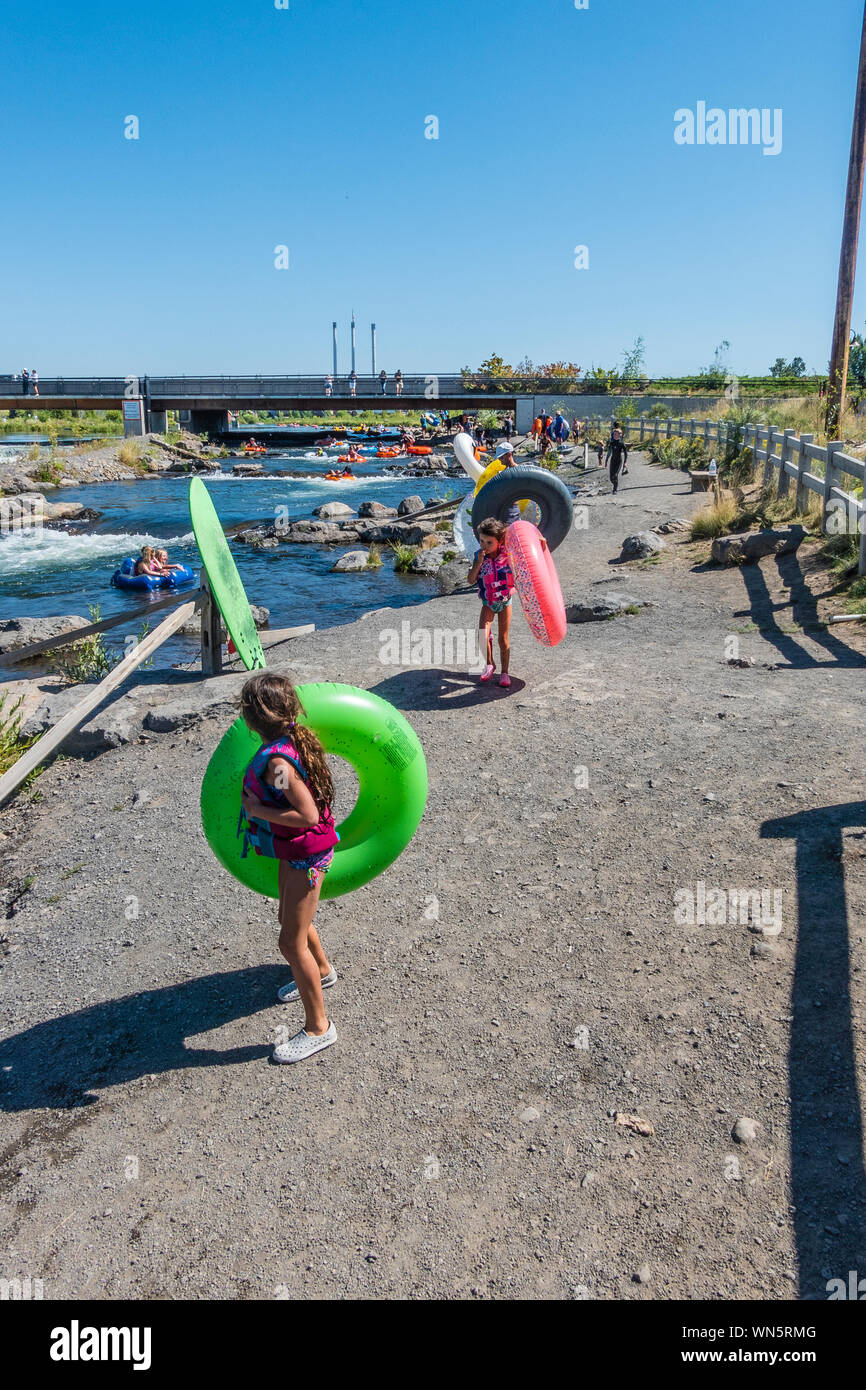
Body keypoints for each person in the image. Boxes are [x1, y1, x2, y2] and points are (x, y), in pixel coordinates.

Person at [238, 672, 340, 1064]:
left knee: (288, 943)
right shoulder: (290, 741)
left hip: (307, 854)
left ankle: (319, 1028)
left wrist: (257, 809)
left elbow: (308, 814)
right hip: (296, 851)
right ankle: (324, 971)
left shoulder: (277, 761)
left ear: (251, 720)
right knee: (289, 917)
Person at [468, 519, 515, 689]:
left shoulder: (507, 554)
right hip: (488, 602)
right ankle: (490, 664)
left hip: (505, 601)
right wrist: (479, 563)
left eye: (489, 542)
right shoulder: (478, 556)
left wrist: (540, 540)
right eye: (481, 541)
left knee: (503, 639)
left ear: (499, 541)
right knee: (482, 635)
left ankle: (505, 673)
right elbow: (470, 580)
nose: (484, 545)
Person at [606, 427, 629, 494]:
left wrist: (625, 463)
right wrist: (606, 461)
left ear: (619, 435)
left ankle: (615, 489)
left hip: (619, 461)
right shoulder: (612, 443)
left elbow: (625, 454)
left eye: (616, 434)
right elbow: (609, 453)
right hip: (612, 461)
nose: (614, 435)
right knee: (611, 478)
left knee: (615, 475)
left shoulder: (621, 444)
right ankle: (614, 484)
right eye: (614, 434)